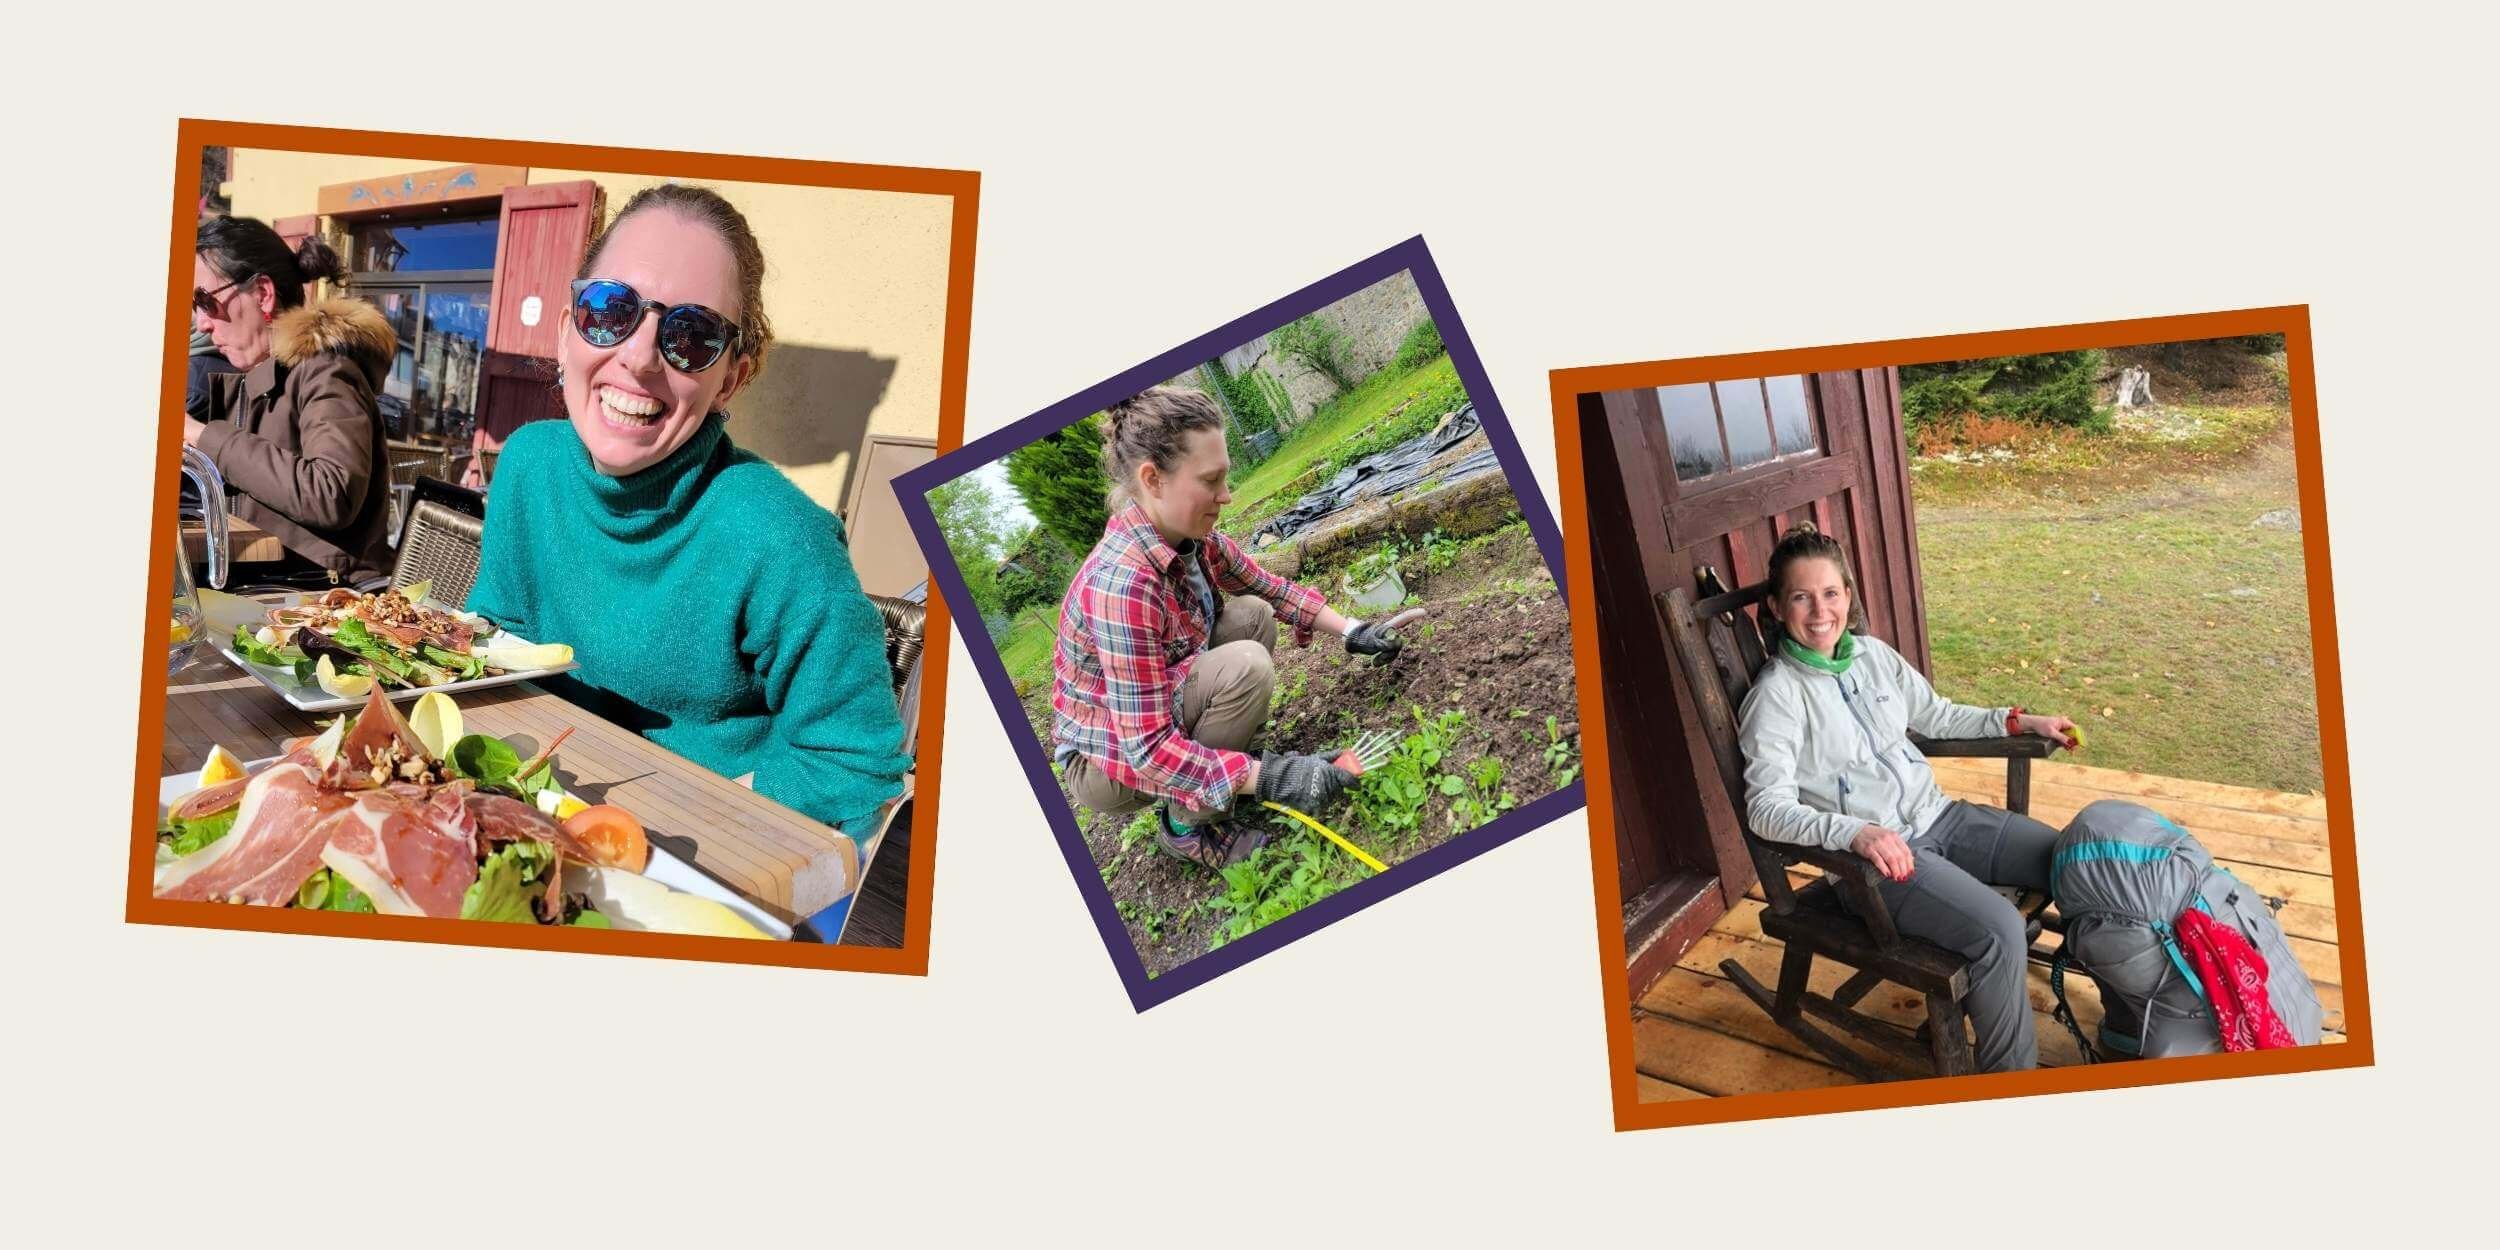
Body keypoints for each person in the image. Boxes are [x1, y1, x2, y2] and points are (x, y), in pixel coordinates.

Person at [462, 184, 908, 841]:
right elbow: (497, 635)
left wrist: (682, 825)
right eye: (610, 310)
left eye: (691, 335)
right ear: (566, 333)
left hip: (698, 855)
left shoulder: (782, 539)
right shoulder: (528, 463)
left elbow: (856, 768)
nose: (639, 358)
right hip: (527, 801)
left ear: (730, 379)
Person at [1737, 523, 2078, 1073]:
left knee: (2076, 858)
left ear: (1848, 595)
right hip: (1875, 865)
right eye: (1801, 596)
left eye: (1830, 593)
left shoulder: (1871, 656)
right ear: (1777, 607)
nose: (1819, 610)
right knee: (2000, 932)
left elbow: (1937, 715)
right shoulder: (1777, 697)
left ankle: (2133, 1012)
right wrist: (1855, 831)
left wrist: (2017, 720)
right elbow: (1766, 808)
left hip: (1941, 817)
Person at [1053, 386, 1410, 870]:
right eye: (1211, 480)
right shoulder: (1122, 586)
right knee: (1245, 665)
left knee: (1251, 615)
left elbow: (1267, 589)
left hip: (1164, 699)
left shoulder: (1190, 538)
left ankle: (1233, 774)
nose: (1226, 495)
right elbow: (1147, 750)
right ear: (1153, 479)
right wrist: (1277, 778)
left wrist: (1353, 630)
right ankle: (1185, 825)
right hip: (1110, 759)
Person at [186, 217, 395, 585]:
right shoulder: (267, 373)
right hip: (274, 575)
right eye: (193, 305)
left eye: (206, 300)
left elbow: (331, 493)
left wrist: (203, 436)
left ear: (263, 294)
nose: (201, 323)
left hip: (324, 597)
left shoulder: (326, 370)